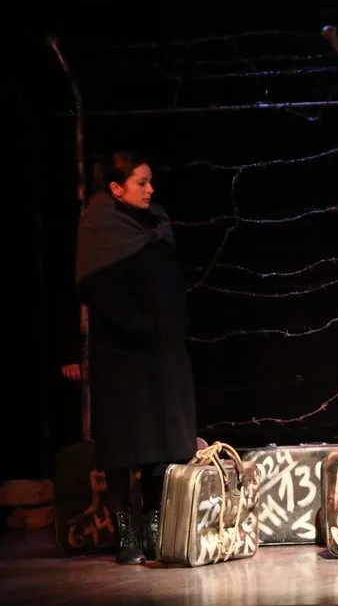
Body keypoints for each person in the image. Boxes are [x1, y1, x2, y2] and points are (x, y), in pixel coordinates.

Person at [75, 151, 197, 564]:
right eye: (141, 183)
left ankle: (153, 529)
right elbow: (96, 288)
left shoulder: (156, 223)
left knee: (160, 444)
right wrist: (137, 325)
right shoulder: (99, 225)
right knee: (123, 446)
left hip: (162, 353)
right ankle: (126, 535)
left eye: (149, 181)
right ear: (116, 188)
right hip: (122, 355)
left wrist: (174, 324)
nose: (150, 189)